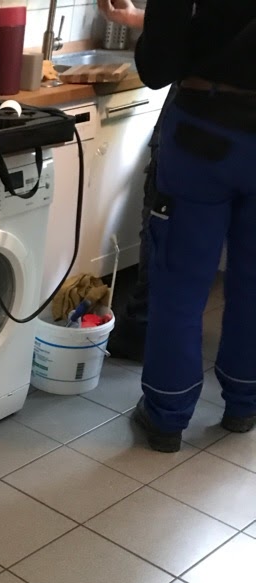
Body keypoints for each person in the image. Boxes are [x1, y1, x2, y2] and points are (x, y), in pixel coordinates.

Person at [130, 0, 256, 452]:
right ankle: (244, 403)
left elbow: (157, 67)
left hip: (206, 130)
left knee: (180, 281)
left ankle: (167, 416)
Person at [97, 0, 174, 363]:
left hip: (199, 127)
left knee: (166, 232)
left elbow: (157, 68)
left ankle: (144, 330)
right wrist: (132, 17)